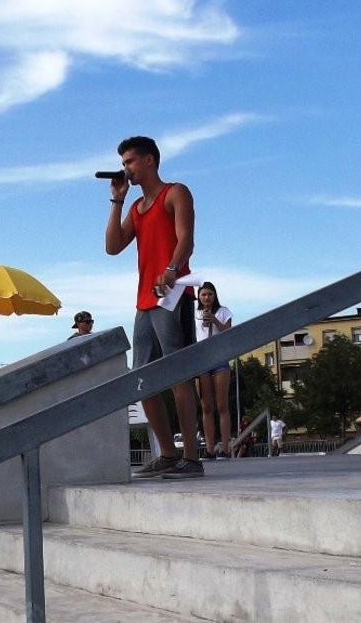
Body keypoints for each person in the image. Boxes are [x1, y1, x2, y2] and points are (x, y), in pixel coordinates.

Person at [105, 135, 203, 479]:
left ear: (149, 160)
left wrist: (172, 269)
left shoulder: (175, 192)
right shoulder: (136, 207)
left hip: (173, 292)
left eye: (130, 161)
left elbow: (186, 240)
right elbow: (112, 247)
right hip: (145, 299)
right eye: (123, 163)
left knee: (177, 371)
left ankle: (192, 457)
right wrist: (117, 200)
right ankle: (167, 452)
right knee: (141, 377)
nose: (126, 169)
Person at [195, 282, 233, 460]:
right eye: (203, 295)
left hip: (220, 360)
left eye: (210, 294)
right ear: (199, 297)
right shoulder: (194, 314)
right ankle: (209, 450)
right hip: (202, 361)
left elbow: (229, 332)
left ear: (214, 295)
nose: (207, 298)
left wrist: (215, 321)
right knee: (207, 407)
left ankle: (225, 448)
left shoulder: (223, 311)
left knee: (222, 405)